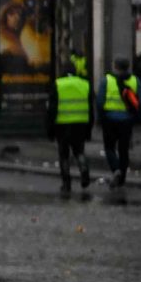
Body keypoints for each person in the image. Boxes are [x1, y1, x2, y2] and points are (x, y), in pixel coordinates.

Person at [45, 54, 96, 195]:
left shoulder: (58, 84)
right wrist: (89, 127)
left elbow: (52, 109)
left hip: (62, 125)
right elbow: (91, 109)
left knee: (64, 154)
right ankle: (84, 169)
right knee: (79, 150)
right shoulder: (85, 84)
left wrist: (49, 129)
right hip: (80, 123)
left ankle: (66, 183)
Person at [100, 57, 140, 187]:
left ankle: (116, 170)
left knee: (109, 147)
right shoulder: (135, 80)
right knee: (124, 150)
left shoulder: (107, 80)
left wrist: (101, 117)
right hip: (127, 120)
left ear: (115, 67)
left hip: (110, 119)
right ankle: (122, 179)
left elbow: (100, 101)